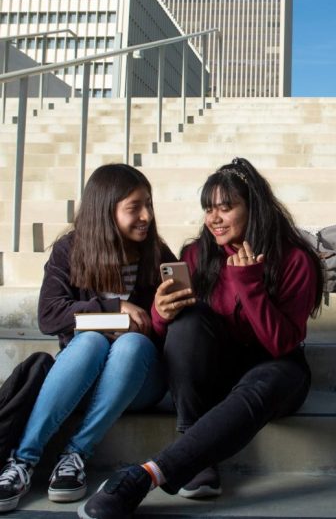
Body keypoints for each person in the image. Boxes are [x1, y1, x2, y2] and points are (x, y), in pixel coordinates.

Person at [78, 157, 323, 518]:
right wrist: (160, 314)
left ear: (253, 208)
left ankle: (145, 475)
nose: (215, 219)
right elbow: (174, 340)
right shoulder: (196, 254)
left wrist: (249, 284)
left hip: (276, 371)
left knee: (268, 377)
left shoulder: (295, 259)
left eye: (226, 208)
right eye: (209, 209)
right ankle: (192, 436)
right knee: (189, 321)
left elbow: (281, 344)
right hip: (217, 373)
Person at [0, 164, 175, 513]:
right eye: (134, 207)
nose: (146, 216)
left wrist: (160, 313)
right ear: (105, 211)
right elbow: (49, 315)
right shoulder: (70, 250)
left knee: (131, 343)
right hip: (79, 379)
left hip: (139, 381)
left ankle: (76, 453)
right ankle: (23, 460)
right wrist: (112, 308)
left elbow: (173, 326)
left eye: (149, 205)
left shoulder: (155, 253)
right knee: (92, 340)